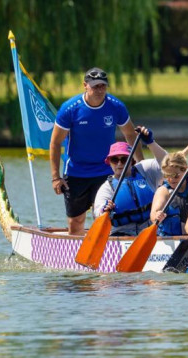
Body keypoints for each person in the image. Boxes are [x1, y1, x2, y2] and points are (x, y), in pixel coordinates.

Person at [50, 67, 143, 235]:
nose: (100, 90)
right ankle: (74, 258)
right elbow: (55, 143)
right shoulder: (69, 109)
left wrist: (141, 166)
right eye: (95, 86)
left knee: (103, 217)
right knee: (76, 221)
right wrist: (56, 177)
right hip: (76, 171)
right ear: (85, 85)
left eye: (103, 86)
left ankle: (104, 256)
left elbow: (131, 135)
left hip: (106, 170)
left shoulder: (116, 106)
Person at [93, 127, 167, 236]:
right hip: (121, 233)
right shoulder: (107, 188)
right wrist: (104, 210)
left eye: (124, 159)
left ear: (132, 160)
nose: (119, 164)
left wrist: (151, 143)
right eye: (115, 160)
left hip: (150, 229)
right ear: (109, 162)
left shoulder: (144, 169)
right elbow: (98, 213)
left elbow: (167, 162)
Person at [151, 140, 188, 236]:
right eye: (167, 175)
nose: (171, 179)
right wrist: (157, 216)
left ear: (186, 169)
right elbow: (154, 214)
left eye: (175, 175)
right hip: (170, 239)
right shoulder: (163, 191)